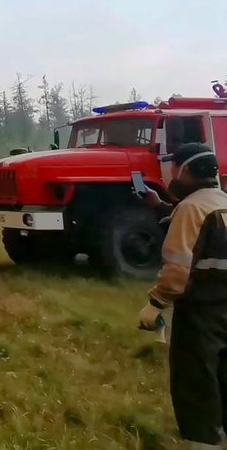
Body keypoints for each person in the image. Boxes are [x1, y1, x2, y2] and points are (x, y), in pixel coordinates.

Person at [138, 143, 227, 449]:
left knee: (197, 385)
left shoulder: (190, 209)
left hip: (201, 316)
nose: (171, 173)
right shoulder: (220, 203)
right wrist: (160, 207)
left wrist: (156, 303)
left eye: (174, 167)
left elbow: (178, 270)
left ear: (186, 169)